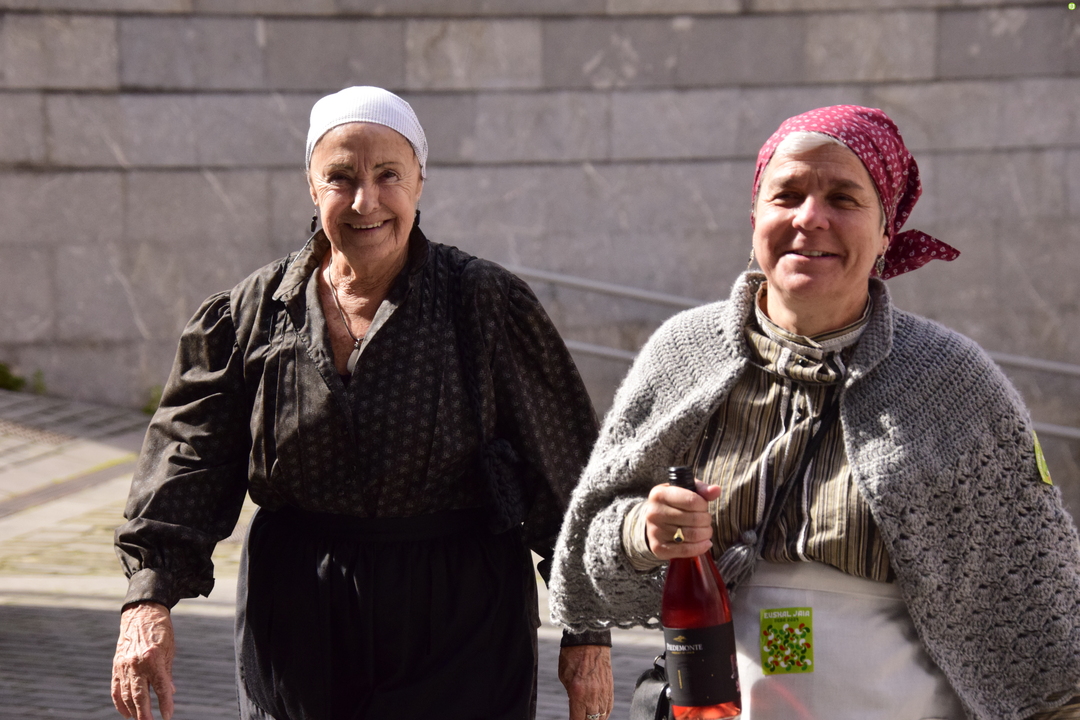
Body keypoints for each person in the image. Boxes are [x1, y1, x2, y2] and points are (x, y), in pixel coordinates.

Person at [549, 105, 1080, 719]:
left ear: (886, 232)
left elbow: (1037, 610)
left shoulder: (951, 381)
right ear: (755, 218)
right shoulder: (681, 355)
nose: (809, 218)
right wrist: (642, 532)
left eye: (843, 198)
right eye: (787, 195)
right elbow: (585, 557)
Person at [111, 86, 613, 720]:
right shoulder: (251, 313)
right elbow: (189, 458)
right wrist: (148, 600)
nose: (364, 201)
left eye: (388, 176)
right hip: (297, 621)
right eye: (341, 177)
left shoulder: (484, 303)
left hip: (460, 622)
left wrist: (587, 635)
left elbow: (567, 471)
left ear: (420, 181)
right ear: (311, 186)